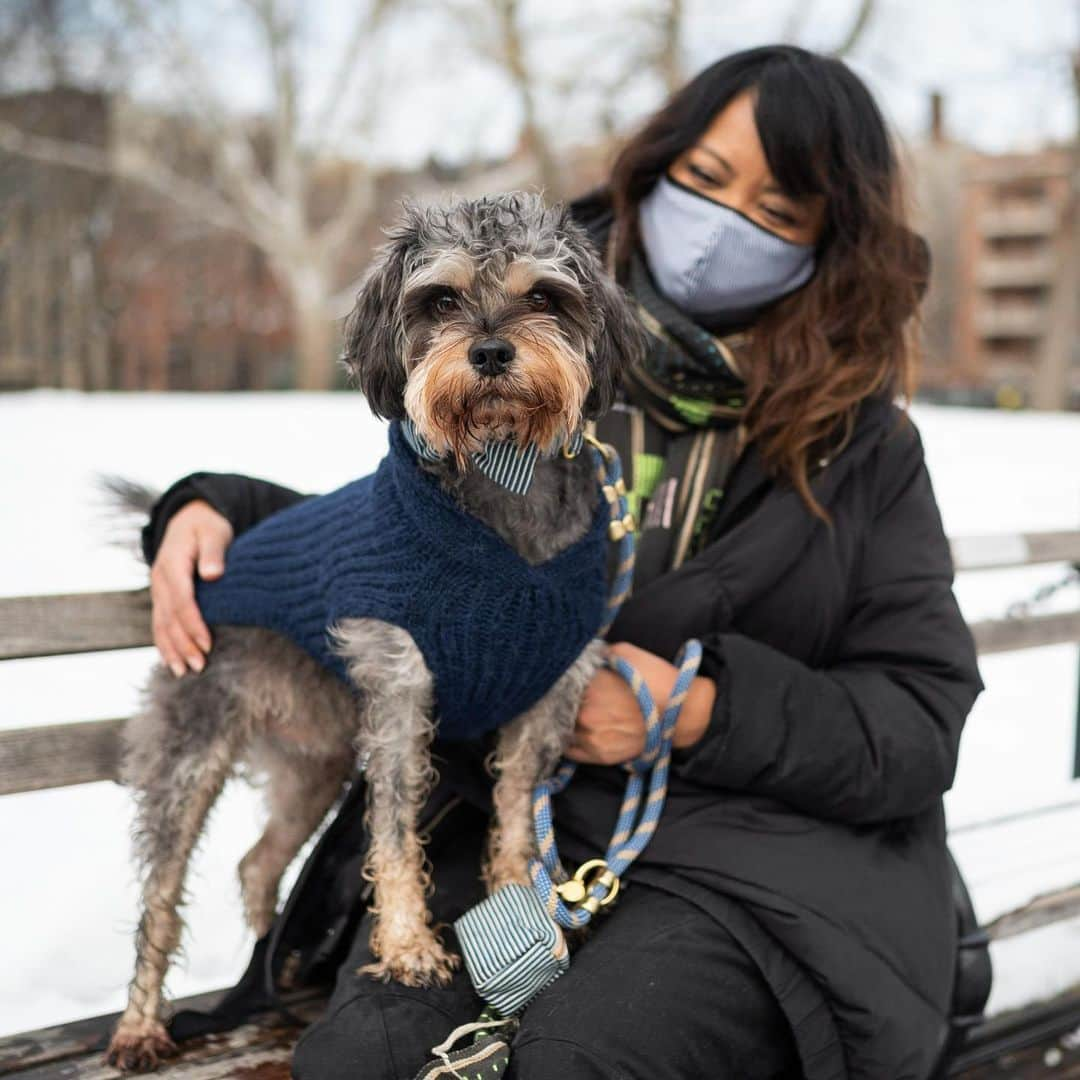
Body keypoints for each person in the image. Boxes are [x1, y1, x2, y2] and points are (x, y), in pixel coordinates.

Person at [141, 45, 983, 1080]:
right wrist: (207, 507)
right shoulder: (541, 339)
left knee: (581, 1060)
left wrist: (706, 710)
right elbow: (400, 537)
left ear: (829, 240)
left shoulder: (866, 448)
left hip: (758, 867)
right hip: (520, 841)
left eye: (778, 209)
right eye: (707, 181)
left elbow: (917, 722)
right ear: (656, 169)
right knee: (363, 1062)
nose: (724, 227)